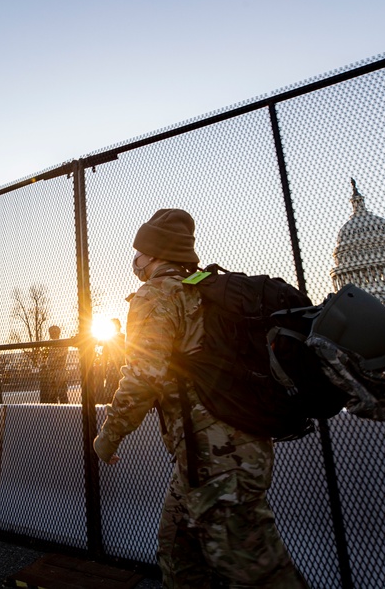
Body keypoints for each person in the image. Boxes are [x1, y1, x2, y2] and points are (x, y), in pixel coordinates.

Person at [92, 209, 307, 588]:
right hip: (217, 453)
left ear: (154, 254)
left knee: (259, 574)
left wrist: (107, 438)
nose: (135, 260)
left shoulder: (156, 294)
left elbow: (142, 377)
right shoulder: (205, 289)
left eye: (138, 252)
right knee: (178, 552)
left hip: (215, 462)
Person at [42, 325, 69, 404]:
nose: (50, 334)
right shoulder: (50, 344)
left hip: (60, 369)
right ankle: (54, 411)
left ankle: (65, 410)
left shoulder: (62, 343)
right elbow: (46, 356)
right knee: (52, 394)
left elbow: (59, 355)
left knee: (62, 393)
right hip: (51, 370)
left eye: (52, 332)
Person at [101, 318, 125, 403]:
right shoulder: (120, 338)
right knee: (116, 391)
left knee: (111, 392)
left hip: (117, 367)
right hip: (117, 367)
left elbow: (104, 355)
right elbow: (104, 354)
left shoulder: (113, 338)